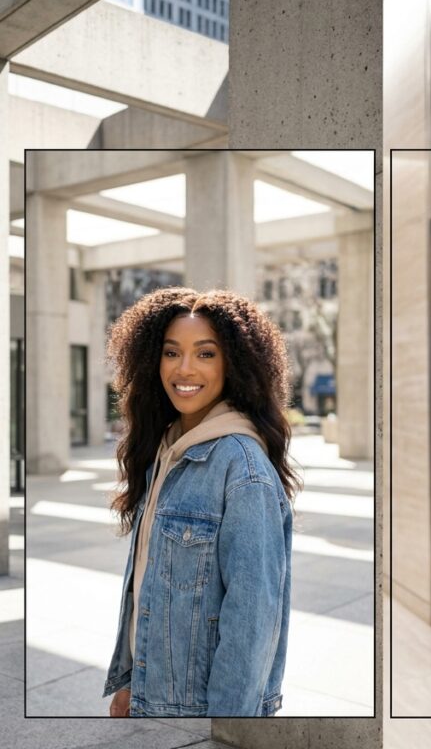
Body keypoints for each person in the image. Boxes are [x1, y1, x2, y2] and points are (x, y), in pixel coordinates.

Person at [103, 287, 298, 717]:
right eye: (171, 352)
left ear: (234, 364)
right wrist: (130, 682)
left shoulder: (242, 469)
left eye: (205, 354)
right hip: (151, 698)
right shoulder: (167, 451)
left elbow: (251, 623)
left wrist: (223, 734)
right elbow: (147, 587)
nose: (184, 368)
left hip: (197, 715)